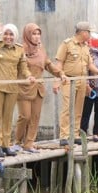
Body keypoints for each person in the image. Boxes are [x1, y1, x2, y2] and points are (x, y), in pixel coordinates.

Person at [0, 23, 35, 157]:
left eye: (11, 34)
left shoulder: (19, 49)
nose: (8, 37)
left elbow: (23, 68)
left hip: (12, 88)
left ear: (15, 36)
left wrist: (29, 76)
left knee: (8, 117)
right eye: (6, 34)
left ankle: (6, 145)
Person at [14, 23, 67, 153]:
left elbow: (48, 64)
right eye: (34, 34)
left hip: (38, 89)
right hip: (23, 89)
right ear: (27, 35)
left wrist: (60, 73)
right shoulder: (20, 50)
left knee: (35, 117)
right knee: (25, 116)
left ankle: (29, 144)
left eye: (38, 34)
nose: (37, 37)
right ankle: (17, 142)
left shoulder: (41, 49)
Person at [53, 21, 98, 145]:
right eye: (89, 32)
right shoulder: (67, 44)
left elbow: (90, 64)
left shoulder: (86, 47)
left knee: (78, 109)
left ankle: (75, 134)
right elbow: (59, 63)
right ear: (82, 32)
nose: (90, 35)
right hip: (68, 80)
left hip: (82, 80)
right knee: (67, 108)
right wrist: (57, 80)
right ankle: (64, 136)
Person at [80, 33, 98, 140]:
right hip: (90, 88)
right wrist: (87, 85)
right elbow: (85, 70)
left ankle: (96, 134)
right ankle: (83, 133)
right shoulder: (88, 53)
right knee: (86, 111)